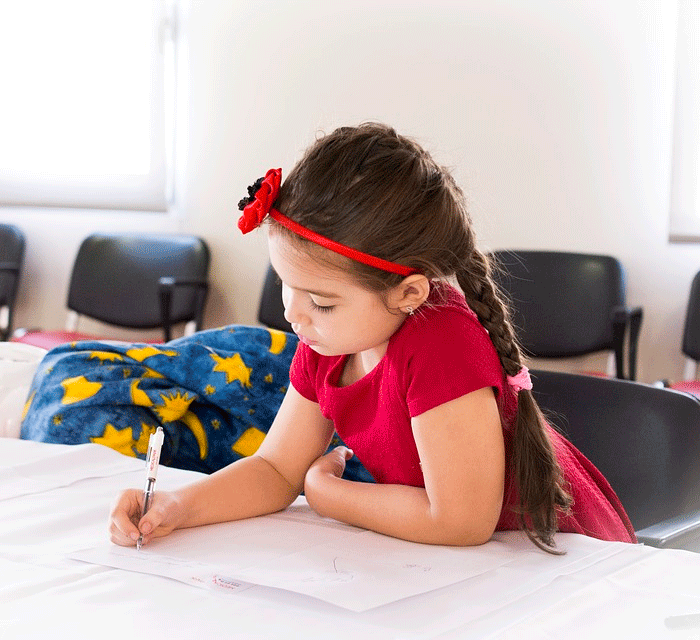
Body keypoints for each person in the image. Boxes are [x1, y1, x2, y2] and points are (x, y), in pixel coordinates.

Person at [109, 123, 636, 552]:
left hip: (558, 560)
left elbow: (461, 521)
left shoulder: (442, 342)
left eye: (321, 301)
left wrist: (325, 493)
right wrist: (177, 506)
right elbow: (274, 469)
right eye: (286, 284)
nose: (293, 314)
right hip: (465, 565)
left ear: (408, 294)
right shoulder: (328, 341)